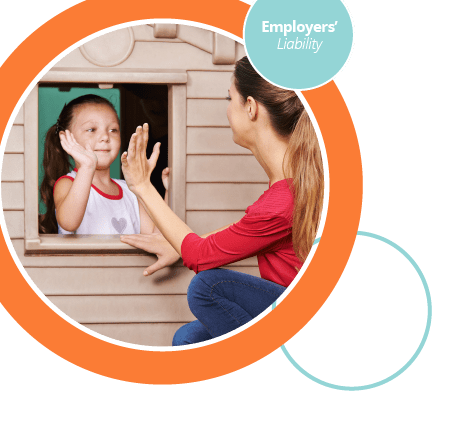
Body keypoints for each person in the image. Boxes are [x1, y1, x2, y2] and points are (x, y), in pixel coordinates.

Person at [120, 57, 324, 346]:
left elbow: (201, 256)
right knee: (188, 339)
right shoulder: (290, 188)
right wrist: (179, 245)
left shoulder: (281, 201)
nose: (227, 110)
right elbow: (249, 230)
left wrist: (142, 185)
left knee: (208, 287)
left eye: (230, 98)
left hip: (305, 318)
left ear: (251, 107)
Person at [39, 94, 168, 235]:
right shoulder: (67, 183)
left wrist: (168, 191)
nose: (105, 137)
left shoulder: (130, 190)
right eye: (91, 130)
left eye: (113, 130)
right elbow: (69, 223)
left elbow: (155, 237)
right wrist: (87, 166)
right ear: (66, 138)